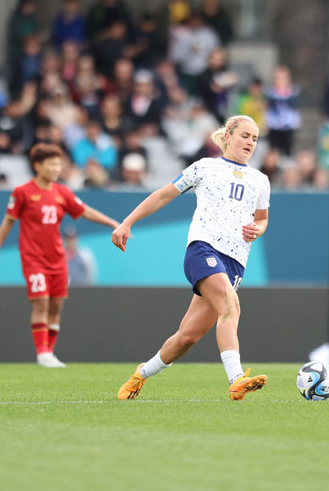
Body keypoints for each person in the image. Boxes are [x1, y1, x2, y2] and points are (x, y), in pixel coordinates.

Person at [113, 115, 270, 401]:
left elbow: (262, 219)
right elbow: (163, 195)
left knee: (187, 337)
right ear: (228, 135)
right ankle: (236, 380)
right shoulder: (205, 167)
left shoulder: (260, 180)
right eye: (245, 135)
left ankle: (141, 374)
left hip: (235, 262)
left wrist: (257, 230)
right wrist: (127, 222)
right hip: (204, 250)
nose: (250, 142)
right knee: (231, 305)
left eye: (255, 138)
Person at [0, 144, 119, 368]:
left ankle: (49, 351)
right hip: (33, 258)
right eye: (52, 164)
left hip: (57, 259)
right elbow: (9, 220)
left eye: (59, 164)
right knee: (41, 302)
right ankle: (42, 353)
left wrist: (112, 223)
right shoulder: (22, 192)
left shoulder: (62, 192)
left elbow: (84, 211)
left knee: (56, 307)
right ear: (37, 166)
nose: (56, 168)